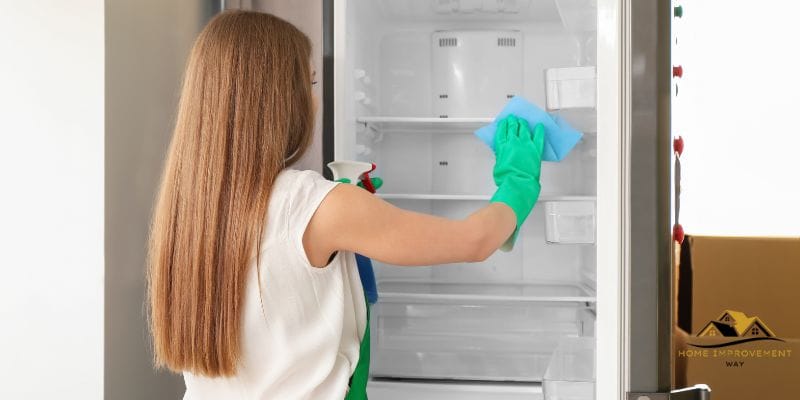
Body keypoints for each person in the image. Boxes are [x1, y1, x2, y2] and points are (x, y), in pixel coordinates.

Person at [147, 10, 544, 400]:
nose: (315, 102)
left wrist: (346, 206)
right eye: (311, 84)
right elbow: (474, 241)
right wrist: (518, 181)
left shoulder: (187, 211)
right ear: (281, 100)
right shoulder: (317, 206)